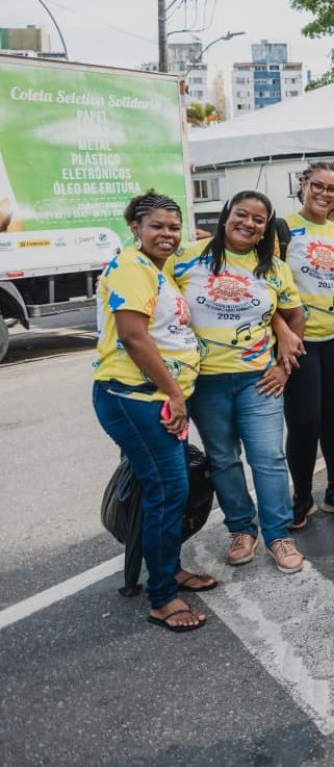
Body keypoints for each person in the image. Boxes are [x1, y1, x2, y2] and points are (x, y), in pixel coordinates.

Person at [173, 190, 307, 575]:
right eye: (241, 214)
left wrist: (284, 365)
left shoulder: (274, 268)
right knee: (224, 460)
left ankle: (278, 535)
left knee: (268, 458)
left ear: (266, 227)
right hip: (206, 382)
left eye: (259, 219)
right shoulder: (187, 260)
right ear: (226, 214)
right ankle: (241, 531)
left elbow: (293, 317)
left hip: (258, 380)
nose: (249, 223)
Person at [94, 191, 210, 632]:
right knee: (167, 492)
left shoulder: (156, 271)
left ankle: (170, 570)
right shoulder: (130, 267)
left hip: (157, 399)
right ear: (135, 228)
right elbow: (133, 337)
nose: (167, 234)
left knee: (171, 490)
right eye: (156, 226)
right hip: (136, 399)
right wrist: (175, 395)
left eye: (173, 227)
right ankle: (162, 597)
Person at [277, 161, 334, 526]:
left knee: (333, 417)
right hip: (300, 341)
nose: (325, 194)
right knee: (304, 422)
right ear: (303, 184)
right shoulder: (282, 228)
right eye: (318, 186)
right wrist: (281, 332)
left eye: (332, 189)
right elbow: (268, 284)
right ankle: (301, 495)